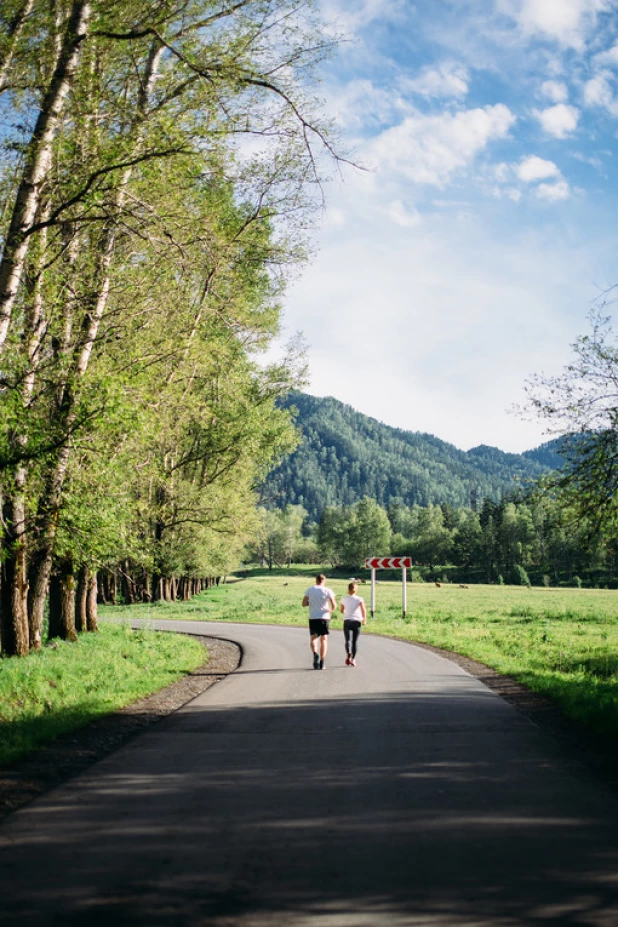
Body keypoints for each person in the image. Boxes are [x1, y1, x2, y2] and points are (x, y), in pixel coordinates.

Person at [302, 573, 336, 670]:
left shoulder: (310, 589)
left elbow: (304, 603)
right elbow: (334, 605)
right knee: (324, 639)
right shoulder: (328, 590)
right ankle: (322, 661)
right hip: (324, 617)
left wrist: (311, 602)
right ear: (324, 581)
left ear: (316, 581)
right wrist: (330, 610)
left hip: (313, 617)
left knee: (313, 638)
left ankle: (315, 654)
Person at [339, 581, 367, 666]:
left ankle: (349, 652)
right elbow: (363, 610)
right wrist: (364, 619)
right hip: (357, 621)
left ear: (348, 589)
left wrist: (346, 611)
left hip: (347, 620)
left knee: (348, 640)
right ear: (356, 590)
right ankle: (353, 659)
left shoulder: (344, 599)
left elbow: (342, 610)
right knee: (355, 641)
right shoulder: (359, 599)